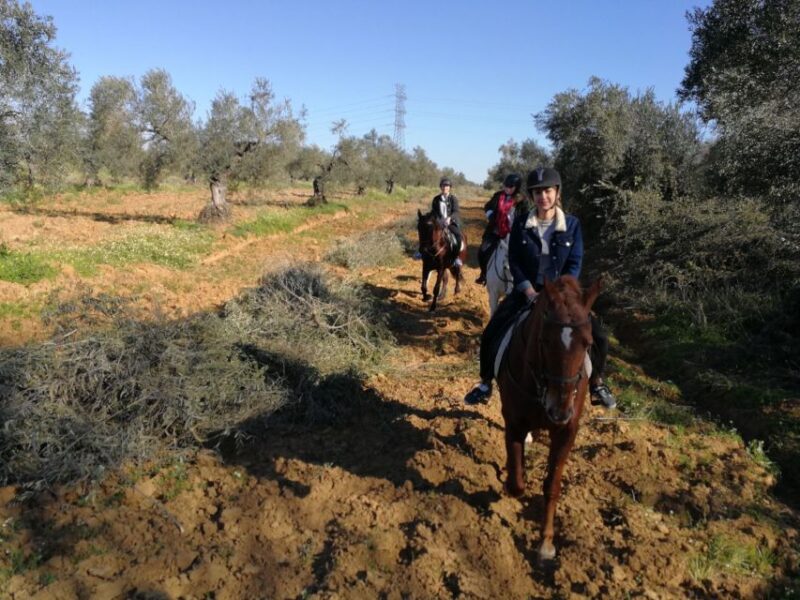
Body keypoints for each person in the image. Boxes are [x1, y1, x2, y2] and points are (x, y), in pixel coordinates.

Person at [463, 166, 617, 408]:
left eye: (547, 191)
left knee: (598, 336)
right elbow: (514, 259)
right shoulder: (521, 224)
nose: (543, 196)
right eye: (537, 192)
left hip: (563, 295)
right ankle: (485, 383)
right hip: (527, 292)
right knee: (492, 330)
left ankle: (597, 383)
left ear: (557, 192)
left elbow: (574, 262)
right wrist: (527, 290)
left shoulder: (572, 225)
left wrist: (560, 293)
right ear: (532, 196)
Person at [475, 173, 523, 285]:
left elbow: (524, 216)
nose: (507, 188)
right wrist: (490, 214)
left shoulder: (522, 201)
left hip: (513, 235)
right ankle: (483, 274)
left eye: (510, 187)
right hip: (495, 232)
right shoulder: (498, 196)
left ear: (517, 187)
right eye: (506, 186)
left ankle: (521, 280)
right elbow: (487, 206)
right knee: (482, 251)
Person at [428, 177, 464, 267]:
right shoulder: (436, 199)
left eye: (447, 186)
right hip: (438, 223)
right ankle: (422, 253)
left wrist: (449, 218)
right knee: (427, 233)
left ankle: (456, 258)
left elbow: (456, 211)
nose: (445, 187)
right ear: (440, 187)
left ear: (450, 187)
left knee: (458, 236)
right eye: (443, 186)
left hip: (451, 223)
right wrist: (438, 220)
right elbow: (434, 212)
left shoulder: (453, 199)